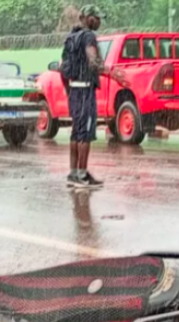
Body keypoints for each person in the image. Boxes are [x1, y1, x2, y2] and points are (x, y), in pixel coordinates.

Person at [61, 5, 127, 188]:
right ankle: (81, 176)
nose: (99, 22)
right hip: (84, 92)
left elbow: (63, 67)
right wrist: (112, 73)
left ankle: (74, 173)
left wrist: (69, 91)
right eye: (96, 18)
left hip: (75, 91)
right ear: (87, 18)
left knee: (76, 132)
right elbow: (94, 62)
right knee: (85, 133)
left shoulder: (71, 37)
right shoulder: (88, 36)